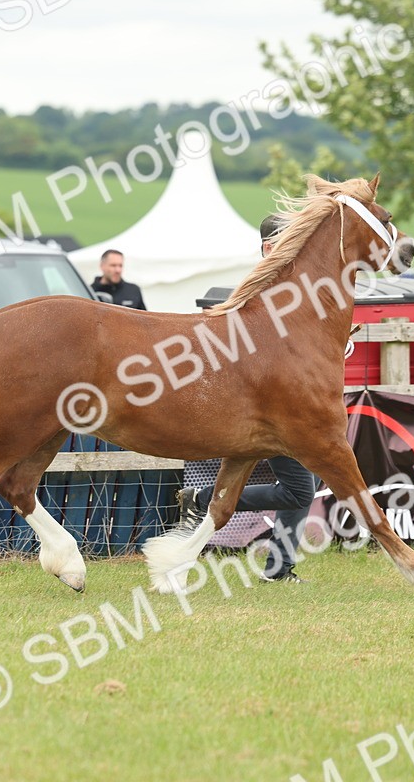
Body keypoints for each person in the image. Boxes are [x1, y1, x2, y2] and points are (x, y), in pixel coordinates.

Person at [175, 215, 317, 583]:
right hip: (267, 406)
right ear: (270, 247)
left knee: (300, 488)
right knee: (300, 489)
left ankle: (279, 567)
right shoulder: (262, 287)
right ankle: (206, 499)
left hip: (288, 401)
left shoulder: (290, 285)